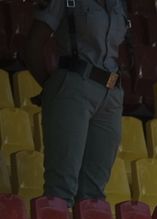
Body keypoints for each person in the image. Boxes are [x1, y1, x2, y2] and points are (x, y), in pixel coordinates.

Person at [27, 0, 128, 203]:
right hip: (74, 84)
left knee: (94, 193)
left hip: (111, 93)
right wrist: (53, 87)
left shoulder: (118, 3)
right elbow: (33, 46)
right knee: (61, 186)